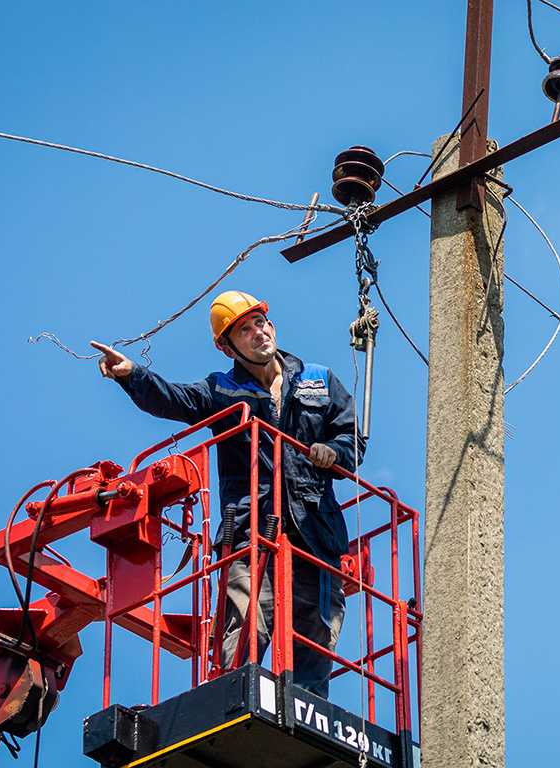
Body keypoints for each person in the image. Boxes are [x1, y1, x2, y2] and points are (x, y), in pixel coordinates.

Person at [89, 290, 363, 698]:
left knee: (318, 625)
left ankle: (308, 708)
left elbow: (351, 442)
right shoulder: (221, 390)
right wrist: (133, 375)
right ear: (226, 345)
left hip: (314, 530)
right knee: (248, 616)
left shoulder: (318, 380)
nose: (258, 333)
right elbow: (174, 399)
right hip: (251, 528)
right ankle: (238, 696)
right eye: (244, 330)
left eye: (260, 323)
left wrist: (335, 452)